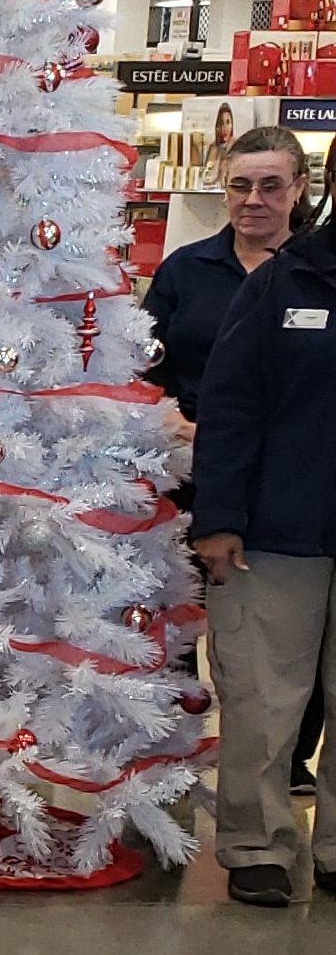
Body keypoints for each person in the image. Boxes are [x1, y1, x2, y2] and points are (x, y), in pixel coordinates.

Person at [187, 197, 336, 907]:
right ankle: (255, 842)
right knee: (262, 698)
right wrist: (216, 517)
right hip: (277, 528)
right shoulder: (282, 283)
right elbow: (230, 402)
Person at [148, 126, 312, 432]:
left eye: (270, 186)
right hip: (191, 453)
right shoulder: (184, 269)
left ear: (298, 188)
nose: (253, 199)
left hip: (295, 461)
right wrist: (171, 420)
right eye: (240, 186)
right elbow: (141, 358)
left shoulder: (321, 273)